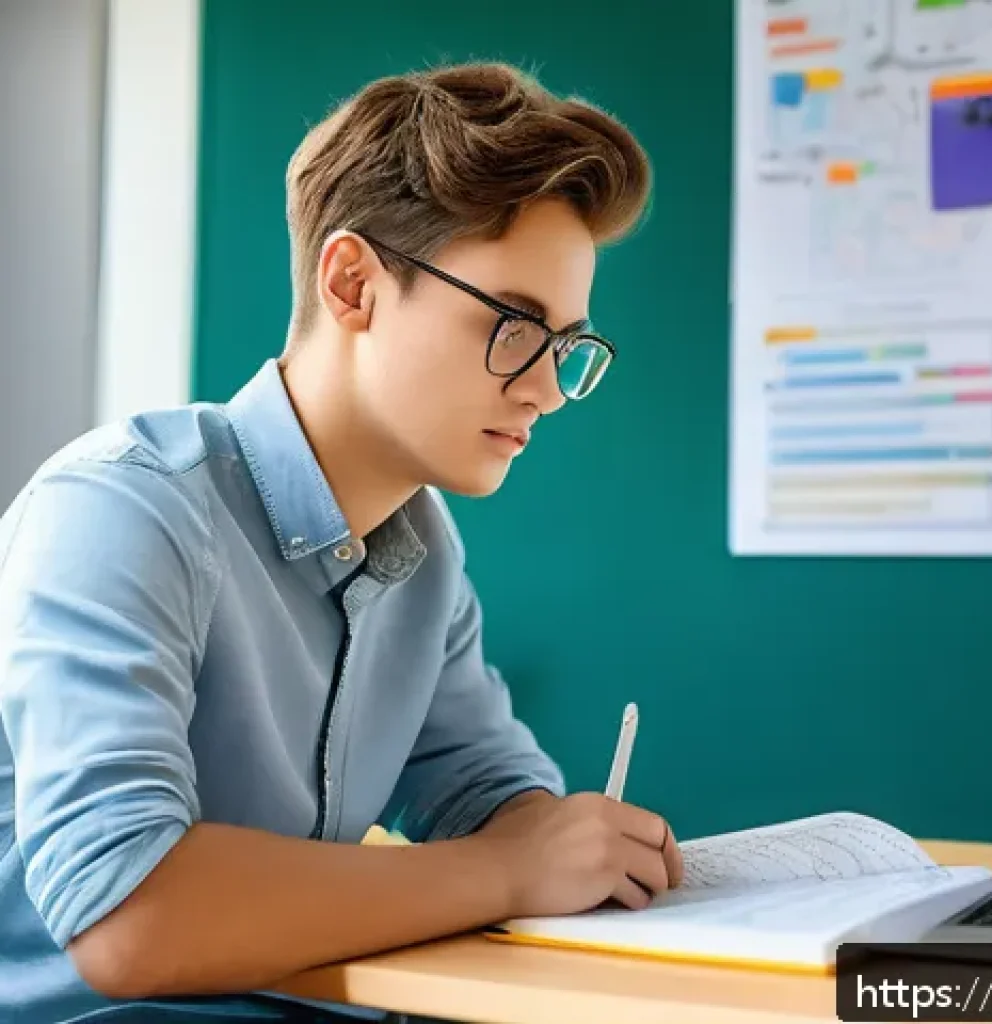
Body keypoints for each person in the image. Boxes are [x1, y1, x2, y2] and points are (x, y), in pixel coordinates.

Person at [0, 61, 683, 1023]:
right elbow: (127, 913)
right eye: (515, 325)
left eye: (566, 345)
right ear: (354, 282)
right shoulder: (122, 510)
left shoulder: (421, 550)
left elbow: (482, 788)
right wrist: (508, 869)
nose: (543, 389)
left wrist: (567, 842)